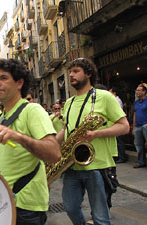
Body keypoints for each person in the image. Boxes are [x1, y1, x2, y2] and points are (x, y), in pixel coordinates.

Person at [0, 59, 61, 225]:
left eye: (3, 78)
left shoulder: (32, 110)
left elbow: (54, 153)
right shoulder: (0, 117)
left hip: (26, 206)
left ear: (19, 83)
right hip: (2, 201)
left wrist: (18, 137)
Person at [56, 58, 129, 225]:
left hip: (97, 165)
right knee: (70, 207)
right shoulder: (69, 102)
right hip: (71, 165)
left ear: (88, 74)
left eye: (76, 71)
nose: (71, 75)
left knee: (100, 217)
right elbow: (65, 129)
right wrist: (51, 144)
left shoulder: (104, 97)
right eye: (70, 71)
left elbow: (124, 127)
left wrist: (96, 134)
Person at [109, 87, 128, 163]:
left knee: (119, 142)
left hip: (117, 124)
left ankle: (121, 157)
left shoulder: (116, 100)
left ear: (114, 93)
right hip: (115, 124)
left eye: (110, 91)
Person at [132, 83, 147, 168]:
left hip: (145, 126)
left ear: (144, 92)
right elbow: (135, 114)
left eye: (139, 90)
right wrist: (133, 127)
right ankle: (141, 162)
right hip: (138, 126)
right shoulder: (136, 103)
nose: (137, 92)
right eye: (136, 90)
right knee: (139, 145)